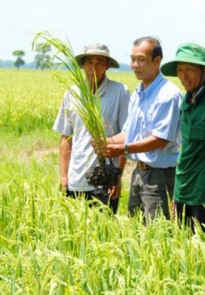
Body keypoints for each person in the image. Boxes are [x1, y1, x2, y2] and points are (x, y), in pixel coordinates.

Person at [95, 36, 182, 224]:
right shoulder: (138, 93)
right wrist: (106, 142)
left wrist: (122, 150)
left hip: (159, 175)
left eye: (141, 59)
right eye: (132, 59)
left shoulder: (167, 95)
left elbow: (160, 139)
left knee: (158, 232)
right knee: (137, 229)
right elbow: (128, 133)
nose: (135, 65)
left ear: (157, 61)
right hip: (139, 173)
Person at [53, 43, 130, 214]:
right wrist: (64, 176)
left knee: (103, 234)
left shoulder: (120, 92)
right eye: (89, 62)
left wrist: (118, 177)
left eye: (99, 62)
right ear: (83, 64)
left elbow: (126, 135)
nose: (94, 67)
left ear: (107, 65)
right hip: (75, 180)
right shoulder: (72, 93)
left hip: (105, 182)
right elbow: (66, 138)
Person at [160, 43, 205, 231]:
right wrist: (177, 193)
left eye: (189, 69)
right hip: (183, 190)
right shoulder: (185, 100)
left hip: (204, 193)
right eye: (180, 70)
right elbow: (186, 151)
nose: (183, 75)